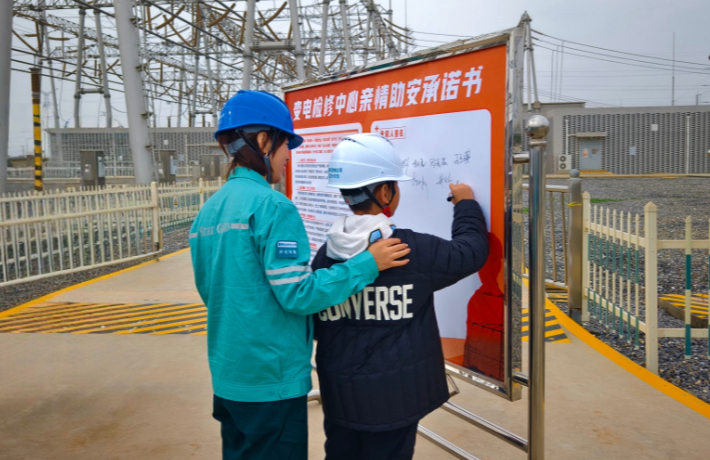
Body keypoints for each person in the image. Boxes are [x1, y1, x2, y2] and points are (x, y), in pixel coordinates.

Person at [189, 91, 411, 460]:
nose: (288, 156)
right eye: (285, 145)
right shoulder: (273, 207)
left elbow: (209, 290)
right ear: (263, 141)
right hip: (271, 381)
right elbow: (299, 295)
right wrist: (368, 263)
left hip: (229, 376)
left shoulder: (209, 211)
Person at [311, 133, 490, 460]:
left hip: (340, 395)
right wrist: (465, 204)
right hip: (393, 401)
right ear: (384, 192)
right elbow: (471, 252)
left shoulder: (326, 255)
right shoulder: (409, 250)